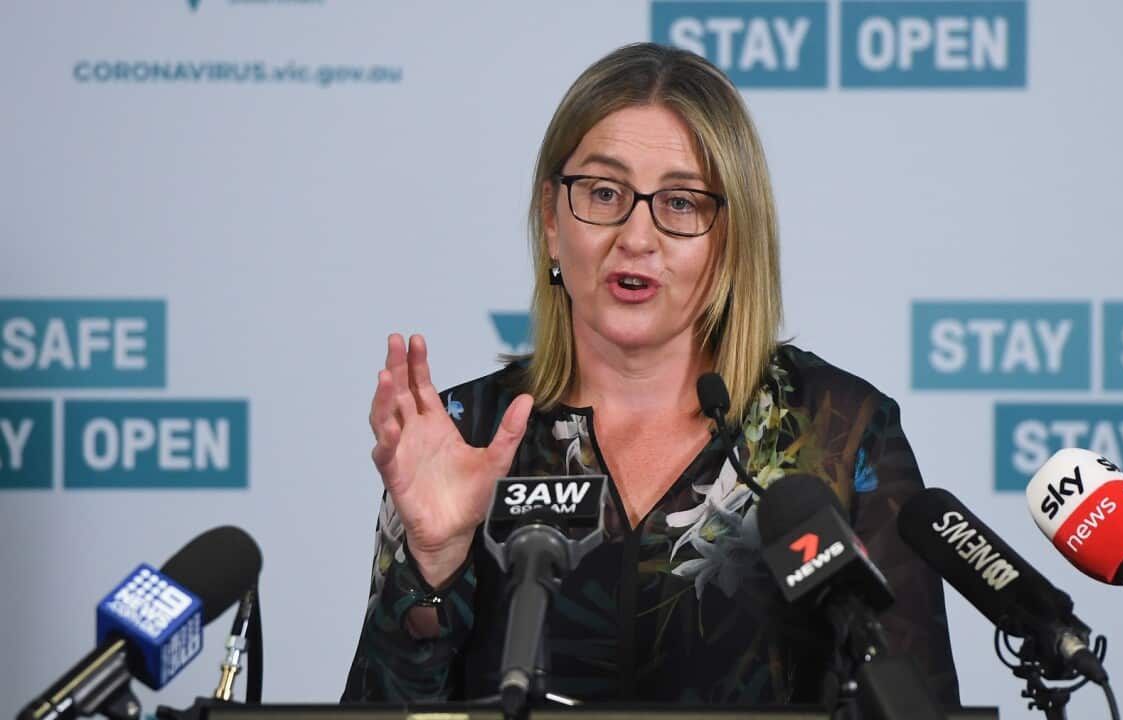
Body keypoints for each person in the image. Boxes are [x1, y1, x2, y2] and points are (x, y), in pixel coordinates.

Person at [341, 42, 960, 706]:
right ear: (552, 220)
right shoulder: (464, 436)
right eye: (604, 193)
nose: (637, 237)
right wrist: (432, 564)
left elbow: (915, 703)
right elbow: (383, 710)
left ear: (732, 238)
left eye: (683, 203)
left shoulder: (838, 429)